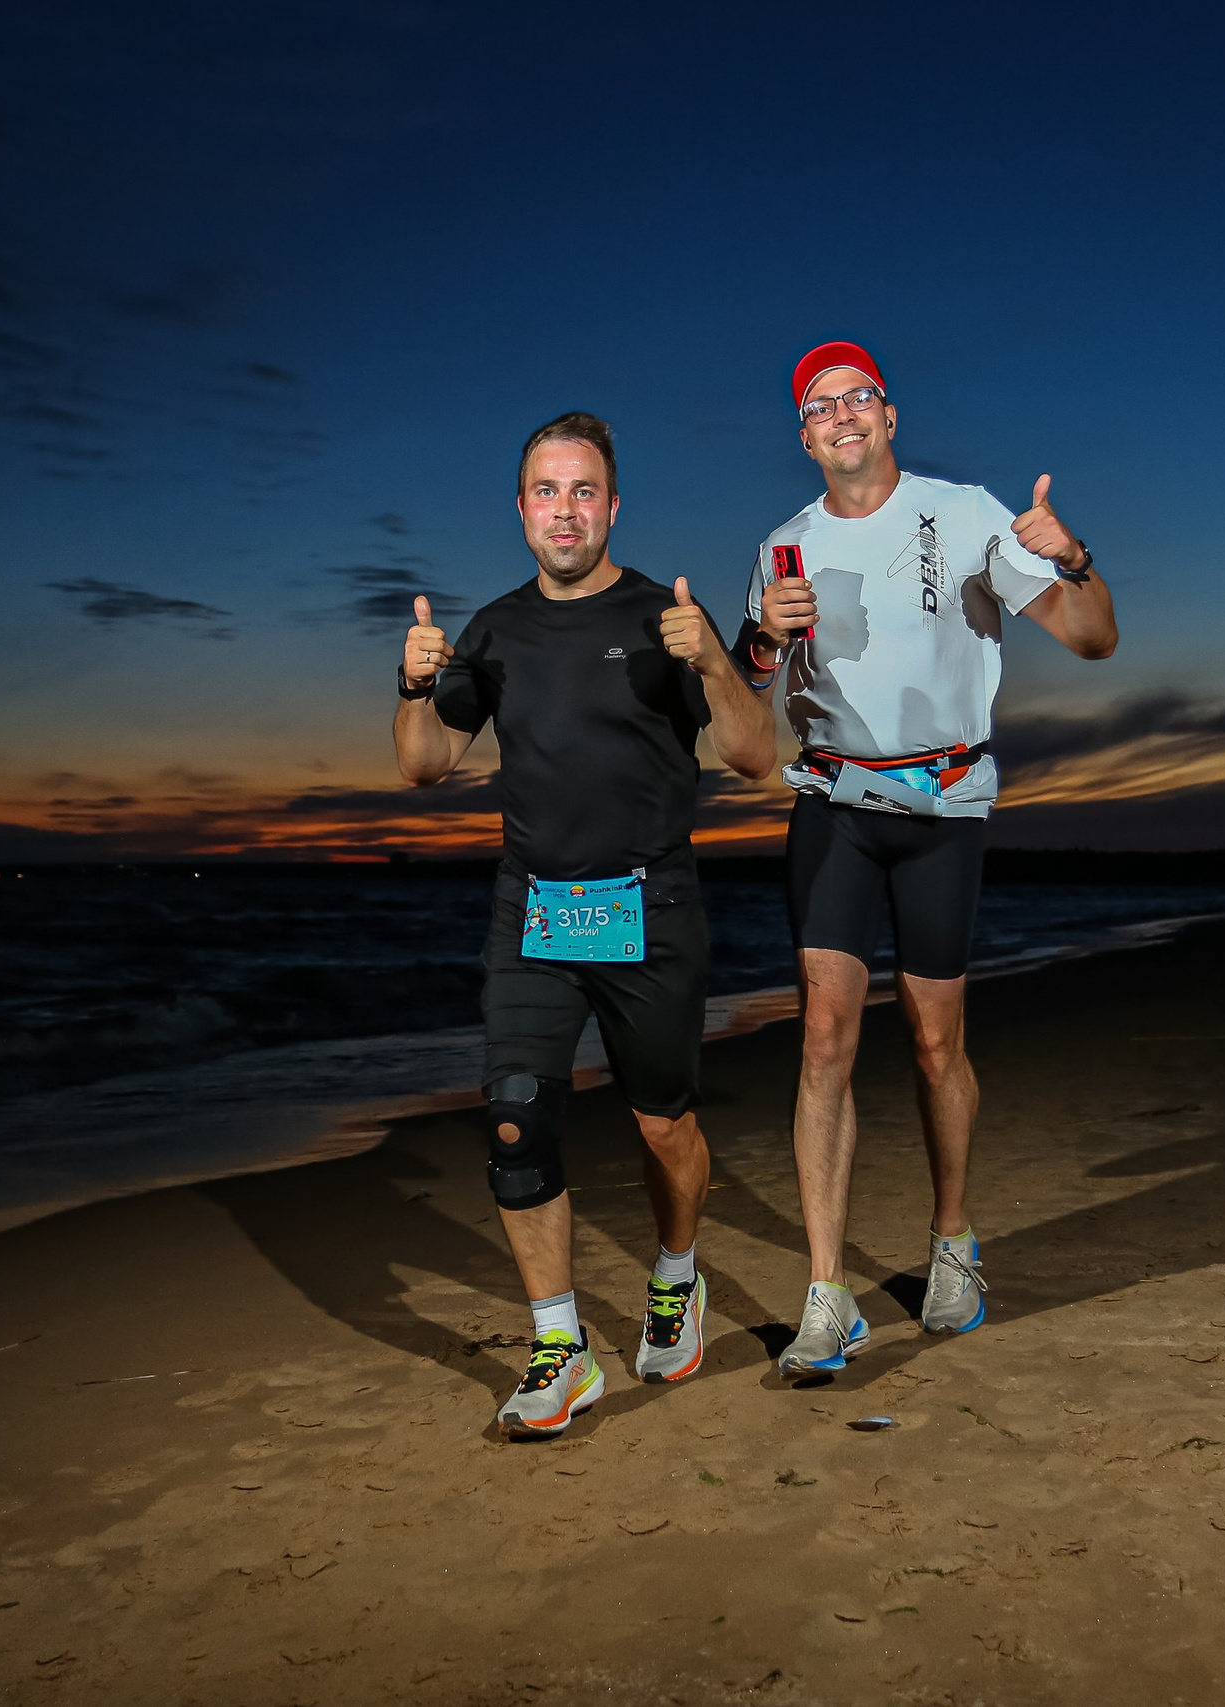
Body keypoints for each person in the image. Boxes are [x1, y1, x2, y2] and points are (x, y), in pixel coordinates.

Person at [731, 341, 1119, 1374]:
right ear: (803, 436)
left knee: (935, 1039)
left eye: (859, 397)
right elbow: (740, 706)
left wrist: (1073, 559)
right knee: (822, 1038)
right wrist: (758, 645)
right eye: (820, 406)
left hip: (944, 802)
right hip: (833, 803)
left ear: (889, 416)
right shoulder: (783, 546)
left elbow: (1091, 641)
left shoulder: (971, 513)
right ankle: (826, 1293)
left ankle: (952, 1242)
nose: (842, 416)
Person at [396, 410, 775, 1437]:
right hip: (535, 911)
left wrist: (712, 666)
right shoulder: (494, 631)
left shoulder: (665, 620)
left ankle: (676, 1277)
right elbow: (423, 764)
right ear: (520, 509)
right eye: (545, 492)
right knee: (517, 1117)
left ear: (611, 507)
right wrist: (415, 682)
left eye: (583, 492)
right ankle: (559, 1350)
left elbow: (756, 759)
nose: (564, 510)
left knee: (663, 1123)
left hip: (647, 907)